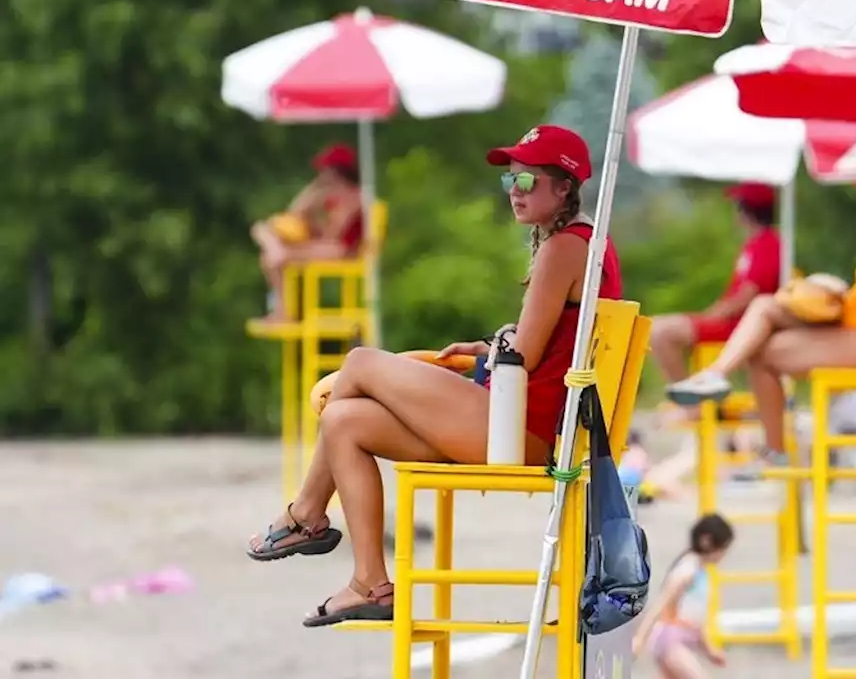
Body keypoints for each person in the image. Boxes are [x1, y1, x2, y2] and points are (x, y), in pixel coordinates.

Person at [244, 124, 622, 627]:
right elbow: (547, 347)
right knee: (345, 421)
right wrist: (486, 349)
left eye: (528, 182)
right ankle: (369, 584)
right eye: (509, 181)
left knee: (358, 363)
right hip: (523, 421)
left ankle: (306, 514)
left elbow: (525, 356)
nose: (514, 191)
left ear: (564, 188)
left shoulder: (566, 247)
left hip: (525, 431)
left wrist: (496, 348)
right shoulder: (581, 243)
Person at [664, 158, 856, 472]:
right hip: (852, 323)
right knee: (765, 309)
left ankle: (766, 435)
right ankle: (719, 378)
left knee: (763, 350)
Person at [647, 183, 782, 387]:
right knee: (656, 327)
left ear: (747, 211)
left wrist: (713, 315)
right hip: (734, 321)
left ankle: (689, 401)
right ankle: (689, 393)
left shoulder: (768, 244)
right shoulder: (757, 244)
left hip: (740, 325)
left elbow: (748, 295)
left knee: (659, 331)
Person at [250, 144, 364, 322]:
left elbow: (334, 234)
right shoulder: (332, 195)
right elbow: (295, 212)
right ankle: (275, 249)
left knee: (273, 259)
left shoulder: (354, 197)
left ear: (336, 172)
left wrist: (317, 224)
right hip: (328, 246)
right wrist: (314, 190)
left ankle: (283, 313)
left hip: (340, 250)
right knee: (263, 232)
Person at [632, 513, 735, 677]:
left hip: (681, 639)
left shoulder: (700, 571)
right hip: (671, 640)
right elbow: (662, 603)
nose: (723, 555)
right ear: (707, 541)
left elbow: (695, 617)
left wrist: (709, 649)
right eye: (723, 548)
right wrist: (639, 638)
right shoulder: (688, 569)